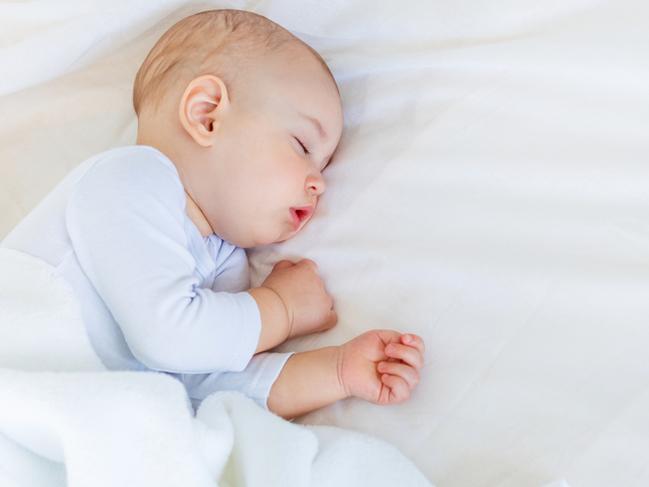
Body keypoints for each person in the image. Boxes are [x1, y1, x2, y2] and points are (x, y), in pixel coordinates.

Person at [1, 9, 424, 419]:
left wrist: (336, 372)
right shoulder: (127, 178)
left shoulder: (223, 260)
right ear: (206, 116)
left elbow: (205, 391)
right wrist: (280, 309)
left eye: (324, 167)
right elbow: (168, 335)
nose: (319, 182)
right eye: (301, 146)